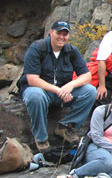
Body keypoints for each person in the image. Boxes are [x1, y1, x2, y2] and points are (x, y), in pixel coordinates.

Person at [19, 20, 97, 151]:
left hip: (62, 92)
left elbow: (87, 76)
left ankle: (65, 127)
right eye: (58, 33)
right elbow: (32, 79)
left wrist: (71, 85)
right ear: (51, 33)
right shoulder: (37, 48)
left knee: (90, 91)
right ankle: (41, 138)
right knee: (35, 95)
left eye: (65, 34)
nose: (61, 37)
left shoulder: (71, 51)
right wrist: (58, 90)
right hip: (40, 91)